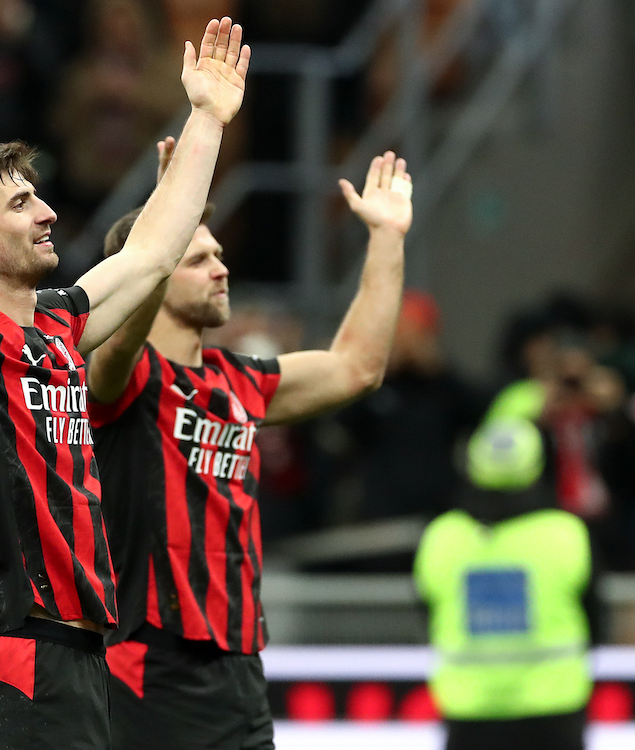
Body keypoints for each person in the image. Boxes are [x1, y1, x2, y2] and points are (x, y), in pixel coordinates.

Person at [0, 6, 250, 749]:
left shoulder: (60, 324)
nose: (49, 214)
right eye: (21, 202)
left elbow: (153, 251)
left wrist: (208, 119)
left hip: (86, 665)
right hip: (17, 665)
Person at [88, 145, 414, 749]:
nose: (221, 268)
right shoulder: (120, 381)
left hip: (238, 664)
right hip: (150, 662)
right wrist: (166, 223)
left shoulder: (237, 381)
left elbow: (356, 367)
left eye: (219, 254)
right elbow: (117, 345)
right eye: (198, 258)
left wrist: (387, 237)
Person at [414, 418, 601, 750]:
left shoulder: (442, 537)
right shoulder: (567, 534)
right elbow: (595, 623)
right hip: (554, 709)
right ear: (538, 463)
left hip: (470, 710)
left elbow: (426, 617)